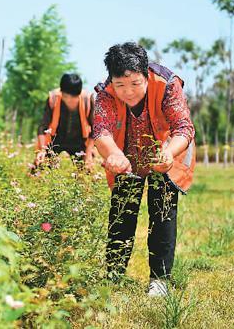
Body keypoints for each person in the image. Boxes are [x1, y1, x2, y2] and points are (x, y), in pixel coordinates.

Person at [93, 42, 195, 296]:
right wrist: (114, 154)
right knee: (121, 214)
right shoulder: (105, 92)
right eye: (121, 85)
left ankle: (159, 280)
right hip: (126, 157)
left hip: (165, 153)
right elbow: (101, 131)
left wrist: (169, 154)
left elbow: (184, 127)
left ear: (145, 75)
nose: (128, 92)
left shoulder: (167, 83)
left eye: (135, 84)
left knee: (162, 213)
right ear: (112, 81)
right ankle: (114, 276)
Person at [35, 73, 94, 169]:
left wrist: (88, 154)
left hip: (79, 142)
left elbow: (95, 129)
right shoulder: (53, 98)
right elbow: (42, 127)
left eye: (73, 97)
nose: (69, 100)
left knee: (85, 172)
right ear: (61, 92)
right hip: (55, 139)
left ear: (79, 94)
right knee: (40, 166)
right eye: (66, 97)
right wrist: (42, 150)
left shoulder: (88, 99)